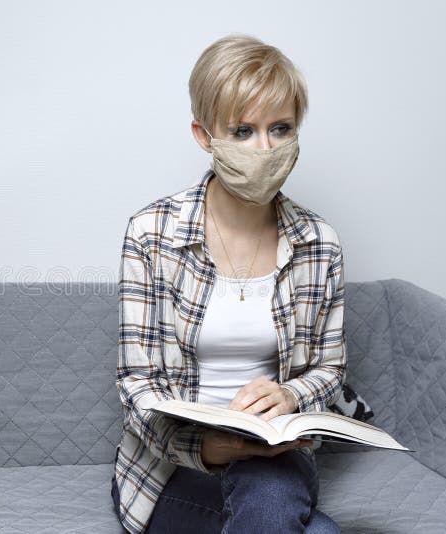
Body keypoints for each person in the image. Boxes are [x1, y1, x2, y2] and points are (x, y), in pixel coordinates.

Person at [111, 33, 346, 533]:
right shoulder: (152, 234)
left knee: (268, 484)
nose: (265, 148)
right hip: (173, 469)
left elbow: (329, 369)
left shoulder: (318, 242)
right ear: (203, 134)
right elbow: (138, 384)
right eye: (242, 131)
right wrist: (206, 447)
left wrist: (291, 397)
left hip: (276, 458)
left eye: (280, 128)